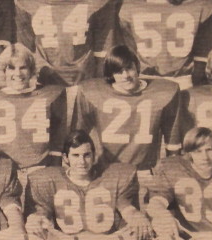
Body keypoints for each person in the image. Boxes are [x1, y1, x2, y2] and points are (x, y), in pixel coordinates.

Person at [23, 130, 150, 240]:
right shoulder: (48, 180)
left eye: (86, 155)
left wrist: (136, 216)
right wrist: (35, 219)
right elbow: (40, 213)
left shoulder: (113, 177)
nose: (82, 162)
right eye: (76, 155)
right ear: (66, 158)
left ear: (94, 156)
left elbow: (127, 208)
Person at [14, 0, 118, 86]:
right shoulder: (29, 5)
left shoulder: (94, 4)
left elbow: (102, 49)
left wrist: (101, 80)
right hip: (44, 80)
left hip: (84, 80)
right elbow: (25, 50)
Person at [115, 0, 212, 89]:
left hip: (182, 80)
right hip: (147, 79)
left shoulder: (195, 6)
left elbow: (202, 49)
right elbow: (129, 47)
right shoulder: (131, 8)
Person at [72, 45, 181, 173]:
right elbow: (75, 139)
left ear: (137, 67)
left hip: (144, 171)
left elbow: (173, 143)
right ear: (111, 74)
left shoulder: (164, 91)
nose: (125, 76)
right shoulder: (91, 92)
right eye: (118, 71)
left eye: (129, 68)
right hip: (106, 172)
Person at [0, 43, 66, 172]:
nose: (17, 73)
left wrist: (54, 168)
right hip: (1, 170)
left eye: (23, 68)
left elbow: (57, 140)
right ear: (4, 71)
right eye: (11, 68)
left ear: (31, 70)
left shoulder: (50, 95)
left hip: (39, 168)